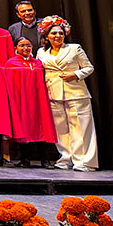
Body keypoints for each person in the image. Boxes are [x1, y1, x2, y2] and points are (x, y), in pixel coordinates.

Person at [36, 16, 97, 171]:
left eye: (61, 33)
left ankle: (83, 162)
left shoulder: (74, 48)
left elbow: (89, 68)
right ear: (47, 36)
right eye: (54, 33)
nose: (58, 36)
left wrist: (75, 74)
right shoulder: (41, 53)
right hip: (53, 94)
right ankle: (65, 158)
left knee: (80, 128)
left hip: (76, 93)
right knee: (60, 129)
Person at [5, 37, 58, 168]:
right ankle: (25, 159)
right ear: (15, 48)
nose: (25, 48)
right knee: (24, 128)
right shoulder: (11, 64)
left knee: (42, 128)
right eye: (22, 45)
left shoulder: (38, 63)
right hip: (21, 101)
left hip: (38, 101)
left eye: (28, 45)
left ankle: (45, 160)